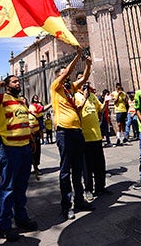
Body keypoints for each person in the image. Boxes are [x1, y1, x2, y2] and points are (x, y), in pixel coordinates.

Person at [0, 75, 38, 242]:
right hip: (8, 149)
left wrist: (31, 139)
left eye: (18, 81)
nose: (18, 83)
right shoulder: (1, 98)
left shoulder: (21, 101)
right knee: (8, 188)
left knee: (21, 185)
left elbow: (23, 121)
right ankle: (5, 226)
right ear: (7, 86)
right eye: (14, 81)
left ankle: (21, 217)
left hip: (25, 147)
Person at [51, 47, 94, 220]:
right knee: (66, 170)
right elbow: (69, 70)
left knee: (77, 169)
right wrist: (77, 56)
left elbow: (84, 78)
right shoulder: (56, 88)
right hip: (64, 133)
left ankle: (79, 201)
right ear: (58, 77)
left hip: (77, 132)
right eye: (63, 74)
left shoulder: (70, 89)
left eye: (66, 74)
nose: (67, 75)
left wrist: (88, 65)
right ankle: (66, 206)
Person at [76, 81, 109, 202]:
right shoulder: (76, 96)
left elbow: (101, 109)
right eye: (83, 83)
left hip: (97, 136)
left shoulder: (93, 96)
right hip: (85, 137)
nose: (85, 86)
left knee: (100, 164)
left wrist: (106, 101)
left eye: (86, 84)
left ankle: (101, 187)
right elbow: (77, 110)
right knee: (87, 166)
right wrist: (84, 96)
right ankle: (88, 189)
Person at [29, 95, 47, 179]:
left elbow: (42, 109)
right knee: (29, 152)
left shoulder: (37, 106)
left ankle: (36, 167)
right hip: (27, 134)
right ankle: (28, 168)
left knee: (37, 151)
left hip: (35, 132)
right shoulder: (30, 108)